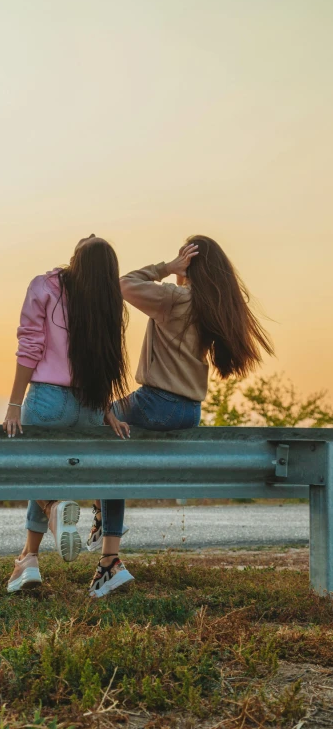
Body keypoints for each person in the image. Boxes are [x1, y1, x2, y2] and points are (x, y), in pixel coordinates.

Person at [87, 235, 274, 551]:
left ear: (188, 264)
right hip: (189, 411)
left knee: (98, 423)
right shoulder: (208, 307)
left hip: (157, 403)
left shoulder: (174, 299)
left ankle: (106, 528)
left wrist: (165, 267)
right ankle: (104, 527)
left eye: (181, 260)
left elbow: (124, 284)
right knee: (115, 449)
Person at [3, 235, 134, 598]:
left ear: (77, 259)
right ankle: (31, 559)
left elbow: (30, 343)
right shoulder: (108, 301)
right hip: (91, 405)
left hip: (49, 399)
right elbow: (104, 362)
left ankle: (50, 516)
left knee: (34, 467)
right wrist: (107, 410)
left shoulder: (46, 286)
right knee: (78, 474)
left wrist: (15, 403)